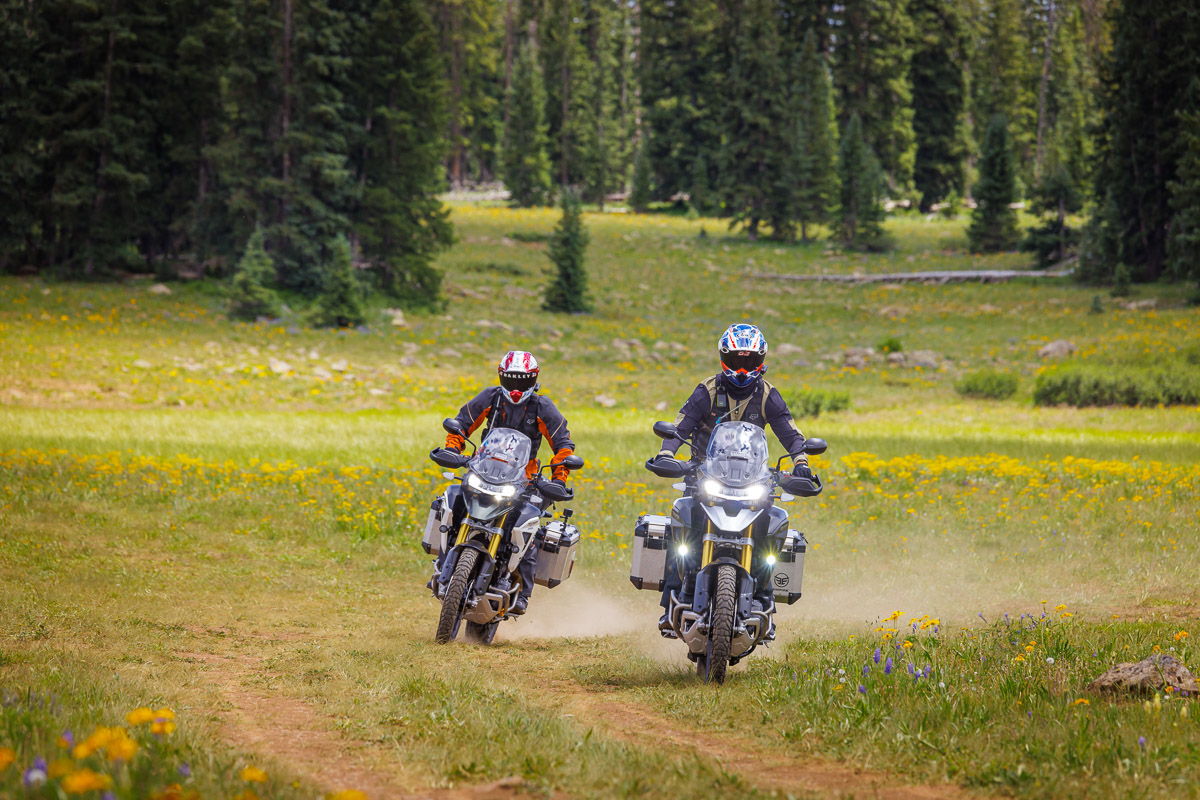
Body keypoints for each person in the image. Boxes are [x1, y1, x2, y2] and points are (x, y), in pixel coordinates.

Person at [646, 323, 817, 628]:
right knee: (682, 528)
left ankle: (764, 597)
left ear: (760, 360)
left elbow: (790, 433)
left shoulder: (768, 395)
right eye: (736, 360)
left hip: (752, 480)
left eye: (749, 361)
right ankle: (670, 599)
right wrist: (667, 453)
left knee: (772, 525)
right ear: (724, 357)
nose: (742, 368)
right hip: (705, 475)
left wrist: (802, 462)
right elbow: (681, 425)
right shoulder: (707, 390)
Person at [437, 350, 575, 615]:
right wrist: (454, 450)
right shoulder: (490, 397)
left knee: (528, 526)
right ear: (501, 377)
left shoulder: (542, 407)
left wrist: (559, 478)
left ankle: (522, 591)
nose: (515, 387)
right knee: (452, 498)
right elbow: (461, 424)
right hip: (484, 469)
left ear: (534, 379)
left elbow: (563, 446)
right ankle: (444, 562)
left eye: (522, 381)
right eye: (511, 380)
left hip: (524, 479)